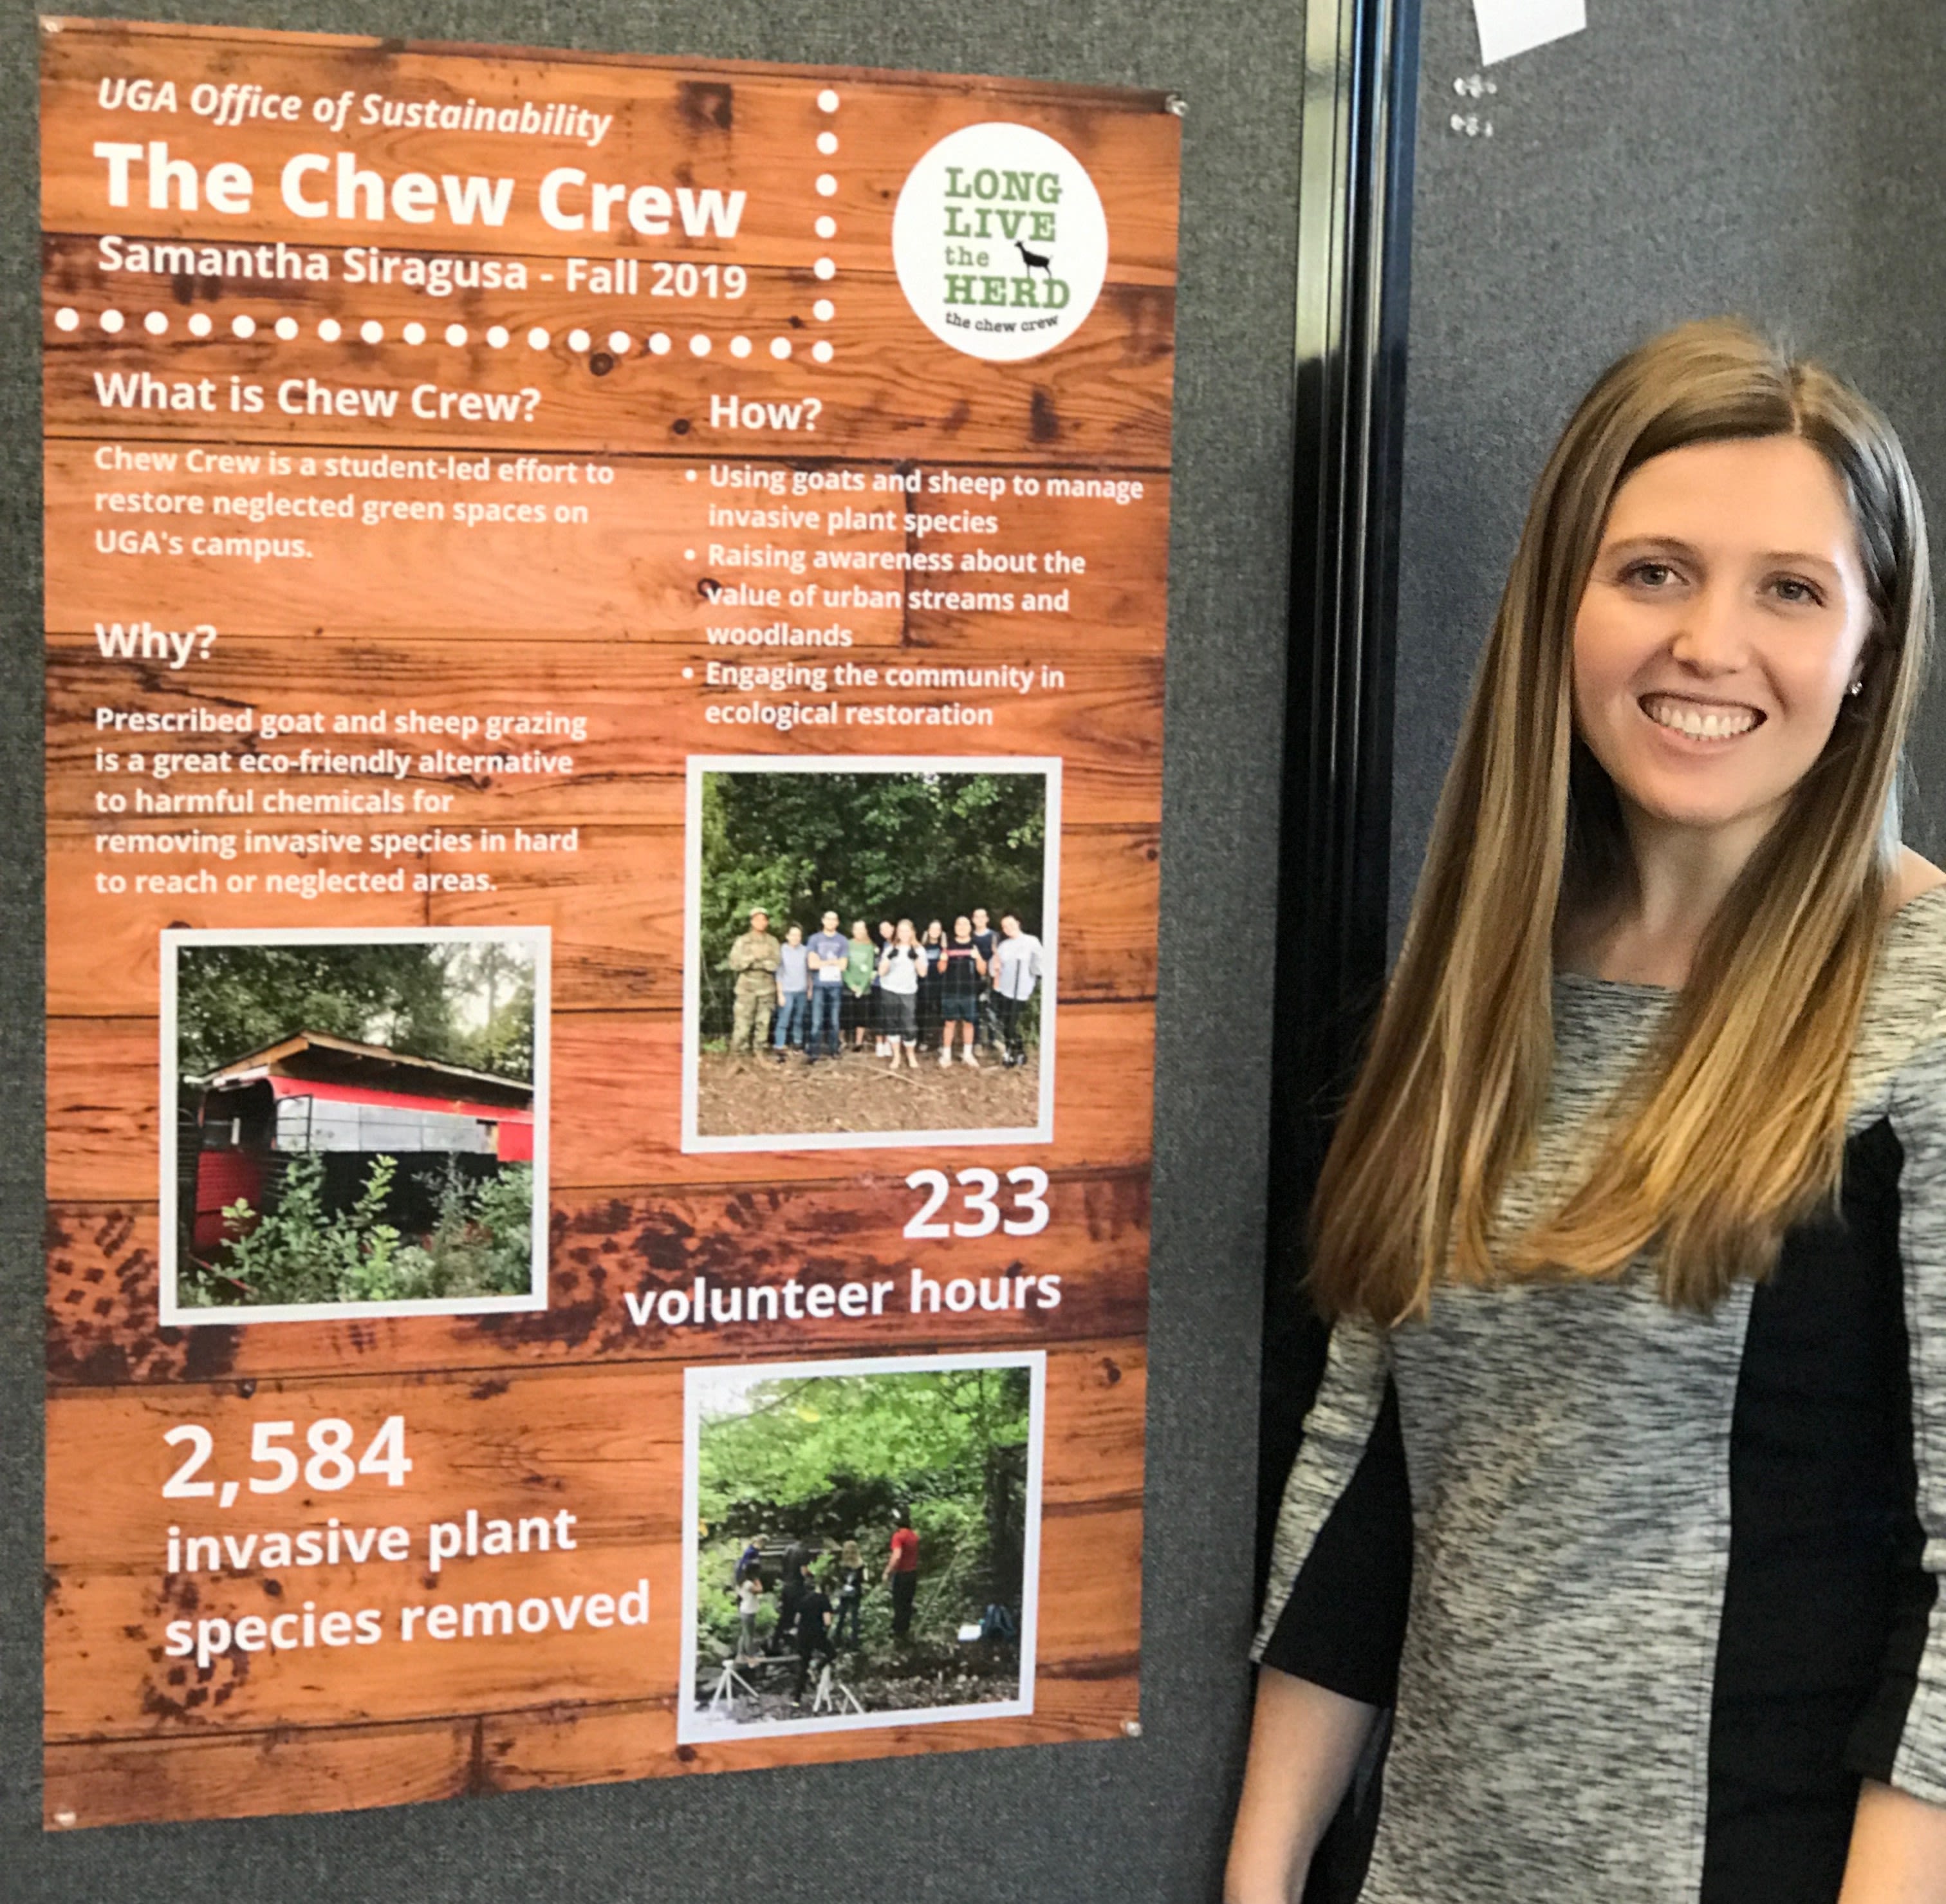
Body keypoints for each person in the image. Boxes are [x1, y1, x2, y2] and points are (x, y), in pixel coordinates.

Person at [1225, 321, 1946, 1904]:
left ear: (1871, 649)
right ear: (1565, 604)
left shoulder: (1929, 1003)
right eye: (1654, 572)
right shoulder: (1483, 981)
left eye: (1792, 588)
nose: (1709, 643)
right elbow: (1370, 1469)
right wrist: (1264, 1875)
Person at [723, 906, 781, 1058]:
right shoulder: (743, 941)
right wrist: (753, 960)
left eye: (764, 919)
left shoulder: (772, 941)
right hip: (746, 988)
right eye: (757, 919)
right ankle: (738, 1055)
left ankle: (760, 1052)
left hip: (767, 988)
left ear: (767, 922)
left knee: (764, 1023)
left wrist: (756, 963)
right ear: (752, 921)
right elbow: (734, 964)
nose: (761, 922)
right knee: (742, 1023)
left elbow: (775, 964)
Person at [991, 913, 1044, 1067]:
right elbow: (995, 965)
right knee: (1004, 1021)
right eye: (1005, 927)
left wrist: (1035, 979)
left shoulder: (1031, 941)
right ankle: (1016, 1049)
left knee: (1011, 1024)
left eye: (1011, 925)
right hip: (1004, 989)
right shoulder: (1004, 945)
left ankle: (1013, 1052)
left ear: (1018, 923)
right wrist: (995, 968)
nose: (1008, 928)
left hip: (1020, 990)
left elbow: (1039, 965)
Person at [937, 916, 986, 1067]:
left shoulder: (975, 945)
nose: (962, 927)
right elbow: (941, 969)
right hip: (950, 991)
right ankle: (946, 1056)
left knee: (969, 1023)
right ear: (955, 927)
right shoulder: (949, 945)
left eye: (965, 924)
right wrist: (943, 958)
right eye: (959, 924)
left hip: (969, 991)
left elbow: (983, 970)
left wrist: (978, 957)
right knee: (949, 1023)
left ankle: (967, 1055)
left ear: (970, 927)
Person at [878, 919, 925, 1069]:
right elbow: (881, 972)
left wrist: (915, 958)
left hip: (908, 992)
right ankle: (896, 1056)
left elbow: (923, 973)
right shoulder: (890, 948)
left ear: (912, 932)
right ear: (897, 933)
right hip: (890, 990)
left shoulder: (919, 950)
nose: (904, 934)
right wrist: (889, 958)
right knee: (892, 1024)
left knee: (909, 1025)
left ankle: (911, 1055)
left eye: (907, 931)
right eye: (901, 931)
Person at [804, 908, 848, 1063]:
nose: (831, 922)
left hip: (835, 985)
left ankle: (834, 1050)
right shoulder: (814, 939)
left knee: (835, 1020)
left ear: (837, 923)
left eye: (834, 919)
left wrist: (822, 962)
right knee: (817, 1020)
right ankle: (814, 1053)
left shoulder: (842, 940)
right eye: (828, 919)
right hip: (818, 985)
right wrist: (832, 962)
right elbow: (812, 964)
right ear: (823, 921)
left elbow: (843, 965)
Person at [792, 1569, 838, 1702]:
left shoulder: (804, 1599)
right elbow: (827, 1622)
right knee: (832, 1654)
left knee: (803, 1666)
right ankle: (817, 1667)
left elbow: (796, 1620)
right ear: (828, 1589)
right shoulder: (824, 1600)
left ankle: (796, 1699)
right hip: (817, 1635)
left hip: (802, 1635)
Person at [772, 922, 809, 1060]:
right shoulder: (781, 950)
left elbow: (809, 972)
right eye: (793, 935)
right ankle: (780, 1046)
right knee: (784, 1019)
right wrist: (780, 994)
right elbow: (779, 974)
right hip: (787, 991)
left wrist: (809, 989)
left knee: (799, 1020)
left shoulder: (805, 950)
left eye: (798, 935)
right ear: (787, 936)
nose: (796, 937)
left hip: (802, 991)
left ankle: (797, 1045)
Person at [885, 1511, 920, 1639]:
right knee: (908, 1603)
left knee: (898, 1603)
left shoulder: (899, 1536)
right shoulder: (914, 1536)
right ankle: (905, 1630)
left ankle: (898, 1632)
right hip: (913, 1573)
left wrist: (888, 1571)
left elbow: (897, 1555)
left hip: (902, 1574)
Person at [844, 919, 876, 1052]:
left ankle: (858, 1042)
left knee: (861, 1016)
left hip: (864, 988)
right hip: (848, 987)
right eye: (856, 929)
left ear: (865, 931)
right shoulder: (847, 944)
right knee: (845, 1015)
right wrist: (851, 984)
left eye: (862, 929)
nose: (859, 931)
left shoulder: (870, 947)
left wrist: (862, 988)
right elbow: (843, 967)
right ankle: (843, 1041)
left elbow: (869, 968)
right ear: (853, 931)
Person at [970, 906, 999, 1049]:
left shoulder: (994, 936)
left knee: (991, 1009)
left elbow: (999, 957)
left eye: (983, 917)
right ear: (973, 919)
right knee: (975, 1010)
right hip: (973, 979)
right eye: (977, 917)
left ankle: (994, 1040)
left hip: (992, 978)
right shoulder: (970, 937)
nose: (980, 920)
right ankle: (977, 1042)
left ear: (987, 919)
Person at [918, 919, 947, 1046]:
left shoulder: (945, 948)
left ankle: (941, 1041)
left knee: (941, 1012)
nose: (935, 931)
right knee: (922, 1012)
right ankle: (922, 1039)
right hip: (923, 984)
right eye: (932, 929)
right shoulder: (921, 947)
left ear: (941, 932)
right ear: (928, 931)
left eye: (938, 929)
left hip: (940, 984)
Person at [834, 1538, 866, 1648]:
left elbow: (840, 1579)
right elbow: (863, 1579)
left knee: (842, 1615)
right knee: (855, 1617)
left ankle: (837, 1639)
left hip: (844, 1592)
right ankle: (855, 1642)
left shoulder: (843, 1564)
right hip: (856, 1592)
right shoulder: (861, 1564)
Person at [873, 919, 897, 1057]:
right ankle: (879, 1044)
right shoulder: (879, 946)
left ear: (893, 928)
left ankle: (888, 1043)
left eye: (887, 928)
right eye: (882, 929)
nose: (885, 931)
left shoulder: (900, 944)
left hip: (894, 985)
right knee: (879, 1014)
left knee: (891, 1014)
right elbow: (876, 964)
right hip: (879, 984)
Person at [736, 1569, 765, 1663]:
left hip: (745, 1609)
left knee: (745, 1634)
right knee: (749, 1635)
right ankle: (750, 1656)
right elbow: (759, 1590)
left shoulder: (739, 1584)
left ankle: (740, 1654)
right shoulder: (748, 1584)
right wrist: (757, 1580)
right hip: (749, 1611)